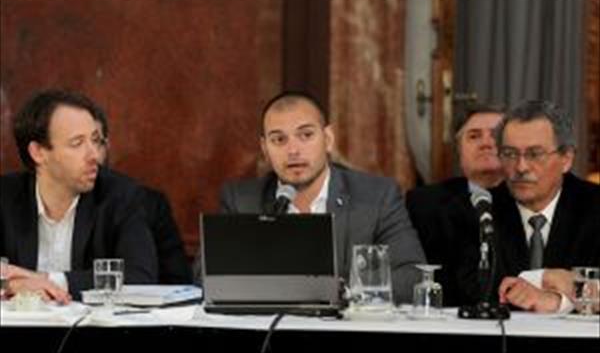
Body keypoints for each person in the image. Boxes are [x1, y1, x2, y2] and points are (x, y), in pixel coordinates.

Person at [203, 91, 426, 304]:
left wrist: (340, 292)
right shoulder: (241, 200)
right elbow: (205, 275)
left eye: (306, 135)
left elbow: (412, 275)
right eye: (279, 140)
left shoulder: (376, 196)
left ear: (327, 139)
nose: (293, 150)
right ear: (264, 148)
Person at [0, 89, 158, 302]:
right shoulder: (5, 196)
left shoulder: (121, 196)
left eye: (95, 140)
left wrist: (48, 281)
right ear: (38, 152)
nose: (94, 155)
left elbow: (141, 278)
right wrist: (9, 284)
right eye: (77, 143)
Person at [456, 100, 600, 311]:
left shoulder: (594, 206)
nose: (521, 167)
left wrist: (558, 302)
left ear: (566, 159)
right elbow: (470, 290)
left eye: (535, 154)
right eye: (510, 154)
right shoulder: (479, 210)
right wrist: (544, 279)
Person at [405, 104, 504, 306]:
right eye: (474, 136)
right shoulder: (424, 204)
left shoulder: (532, 202)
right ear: (459, 151)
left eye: (496, 135)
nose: (486, 143)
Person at [94, 106, 192, 284]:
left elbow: (178, 281)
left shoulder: (146, 203)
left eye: (95, 142)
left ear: (107, 147)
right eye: (76, 144)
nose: (90, 154)